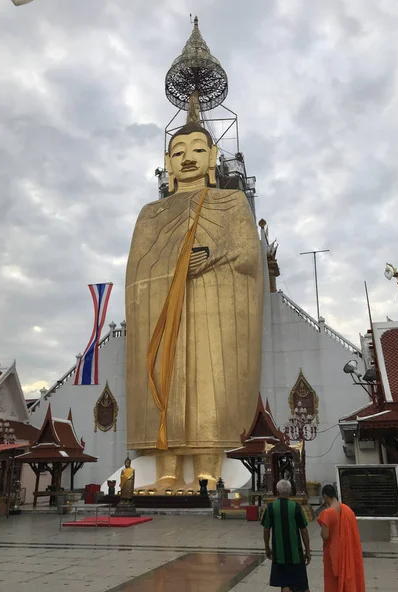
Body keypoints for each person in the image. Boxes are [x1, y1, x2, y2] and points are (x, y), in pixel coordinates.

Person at [125, 94, 263, 491]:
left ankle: (208, 470)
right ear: (168, 162)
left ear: (213, 156)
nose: (188, 158)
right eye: (179, 151)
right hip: (162, 311)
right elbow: (137, 269)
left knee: (211, 384)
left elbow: (248, 255)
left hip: (215, 306)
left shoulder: (232, 201)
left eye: (198, 149)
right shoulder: (151, 214)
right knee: (164, 384)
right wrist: (173, 267)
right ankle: (166, 473)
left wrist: (212, 256)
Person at [261, 479, 311, 592]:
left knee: (284, 585)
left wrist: (267, 547)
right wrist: (308, 550)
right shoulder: (296, 507)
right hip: (296, 553)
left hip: (279, 554)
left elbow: (266, 529)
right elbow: (303, 530)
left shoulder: (271, 508)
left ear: (277, 491)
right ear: (290, 491)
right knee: (303, 585)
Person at [318, 484, 366, 592]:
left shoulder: (327, 513)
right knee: (345, 587)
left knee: (337, 585)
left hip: (334, 554)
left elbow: (325, 536)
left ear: (325, 496)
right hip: (347, 551)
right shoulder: (347, 509)